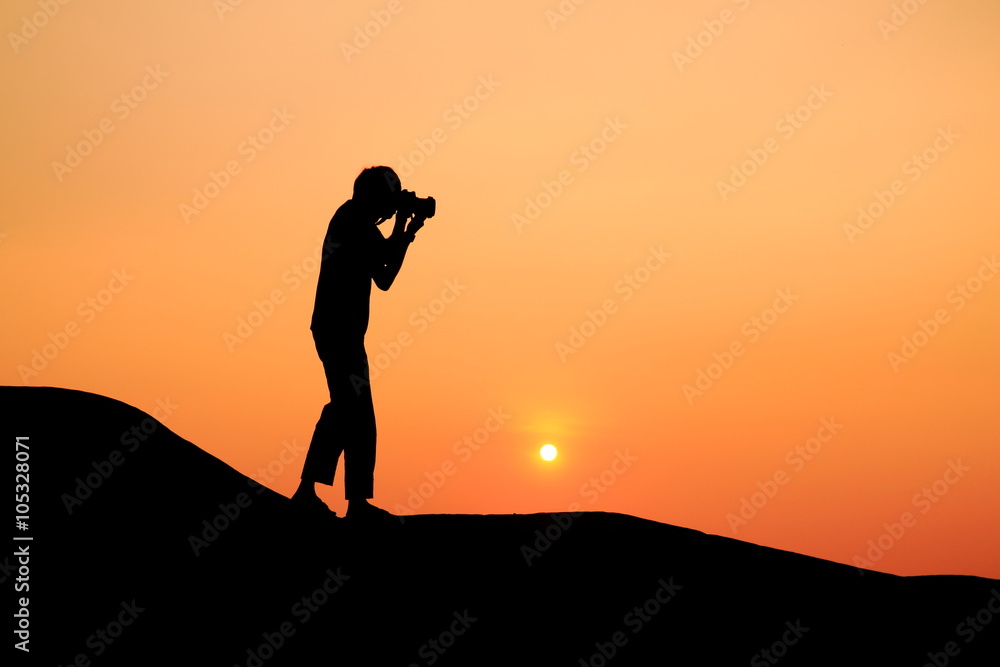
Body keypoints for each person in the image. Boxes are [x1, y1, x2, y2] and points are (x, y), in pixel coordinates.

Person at [292, 166, 426, 519]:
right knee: (356, 413)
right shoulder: (354, 219)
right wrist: (403, 228)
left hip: (339, 330)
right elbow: (385, 275)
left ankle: (323, 494)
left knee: (346, 409)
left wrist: (406, 231)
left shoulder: (354, 219)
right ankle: (348, 502)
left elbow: (383, 269)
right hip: (340, 331)